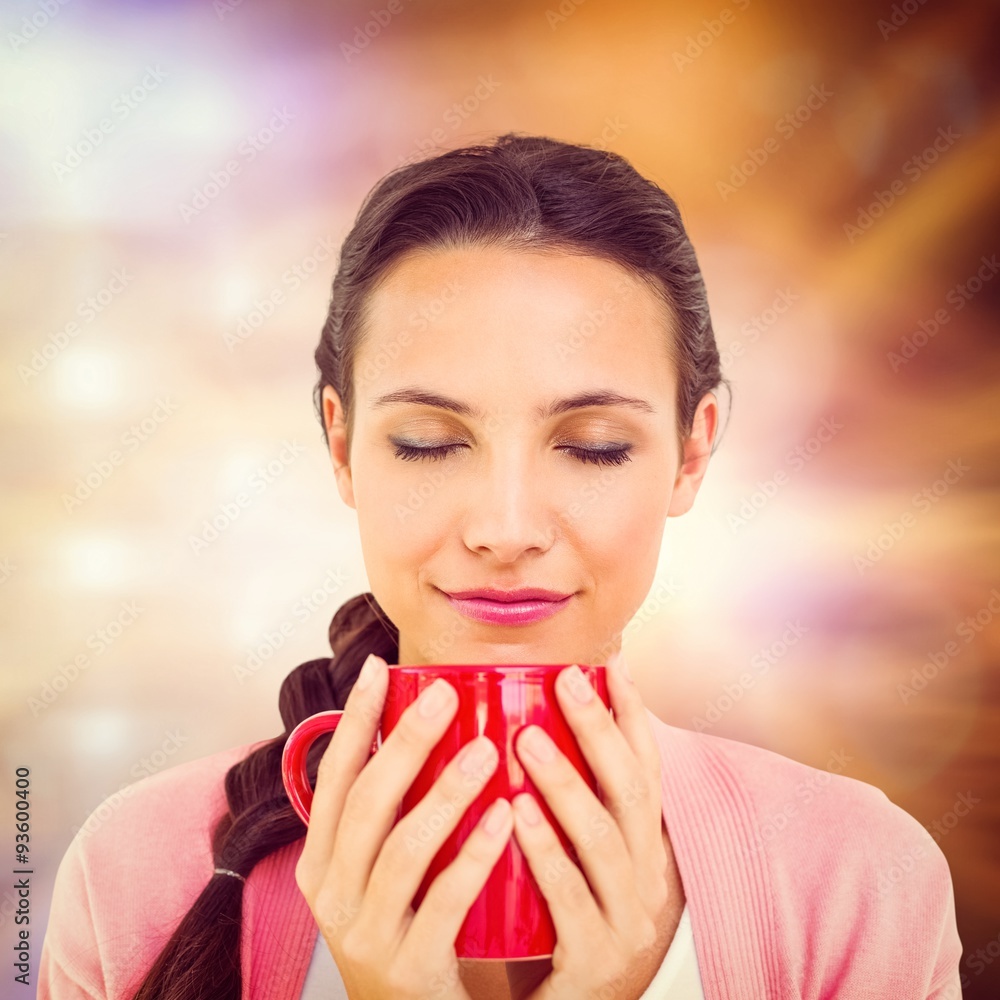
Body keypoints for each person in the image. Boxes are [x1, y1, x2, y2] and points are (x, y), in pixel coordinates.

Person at [39, 133, 962, 1000]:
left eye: (595, 445)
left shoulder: (858, 880)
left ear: (691, 452)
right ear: (341, 443)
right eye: (430, 443)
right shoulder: (138, 874)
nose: (506, 528)